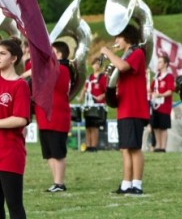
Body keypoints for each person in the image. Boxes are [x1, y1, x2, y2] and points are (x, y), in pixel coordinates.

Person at [101, 24, 149, 195]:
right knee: (125, 148)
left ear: (127, 37)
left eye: (118, 37)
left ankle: (137, 184)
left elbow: (122, 67)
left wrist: (108, 53)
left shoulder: (137, 53)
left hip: (134, 108)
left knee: (134, 148)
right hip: (125, 108)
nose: (116, 41)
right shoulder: (127, 56)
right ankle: (126, 184)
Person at [35, 41, 72, 193]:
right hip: (44, 117)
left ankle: (60, 183)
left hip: (57, 116)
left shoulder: (62, 69)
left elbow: (51, 82)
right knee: (48, 153)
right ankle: (55, 181)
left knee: (58, 152)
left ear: (60, 54)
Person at [0, 38, 30, 218]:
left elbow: (20, 119)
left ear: (14, 59)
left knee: (14, 205)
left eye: (2, 53)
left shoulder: (20, 85)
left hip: (10, 152)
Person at [77, 56, 107, 152]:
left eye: (98, 64)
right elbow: (85, 89)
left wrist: (101, 96)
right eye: (95, 64)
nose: (96, 66)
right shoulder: (89, 77)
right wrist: (81, 97)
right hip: (88, 105)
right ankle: (88, 145)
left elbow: (107, 90)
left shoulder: (102, 77)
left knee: (94, 127)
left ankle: (94, 146)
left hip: (97, 105)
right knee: (88, 126)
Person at [150, 55, 175, 152]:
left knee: (163, 127)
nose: (158, 64)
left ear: (165, 64)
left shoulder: (169, 76)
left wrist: (160, 95)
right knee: (156, 127)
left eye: (160, 62)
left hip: (164, 106)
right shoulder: (156, 77)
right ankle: (158, 145)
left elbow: (170, 91)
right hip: (155, 106)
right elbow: (151, 89)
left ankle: (163, 147)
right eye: (158, 62)